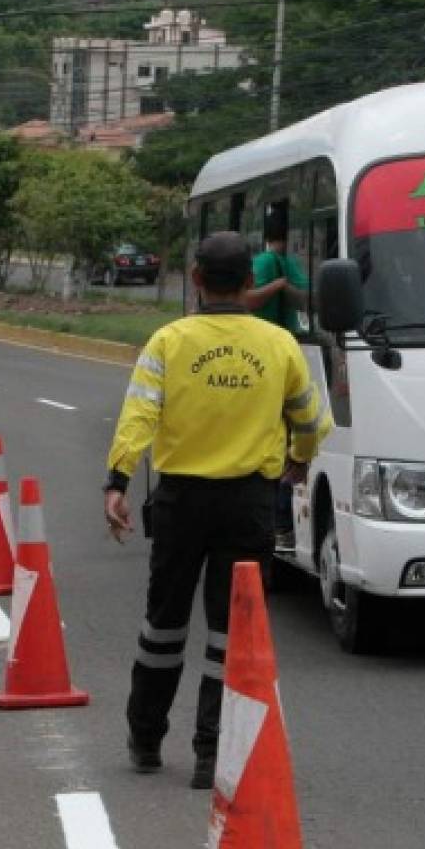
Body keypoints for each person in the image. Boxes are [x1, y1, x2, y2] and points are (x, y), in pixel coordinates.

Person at [104, 231, 331, 790]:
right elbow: (310, 417)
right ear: (251, 281)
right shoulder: (278, 345)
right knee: (230, 636)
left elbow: (139, 416)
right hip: (249, 503)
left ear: (197, 279)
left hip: (181, 502)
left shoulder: (168, 341)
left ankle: (146, 739)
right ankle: (211, 754)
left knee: (163, 626)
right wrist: (299, 462)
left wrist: (117, 481)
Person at [245, 210, 311, 551]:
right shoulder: (270, 262)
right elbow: (248, 299)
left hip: (287, 353)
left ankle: (281, 523)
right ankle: (280, 523)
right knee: (283, 447)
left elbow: (307, 296)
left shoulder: (287, 262)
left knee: (283, 444)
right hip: (270, 356)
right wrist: (280, 286)